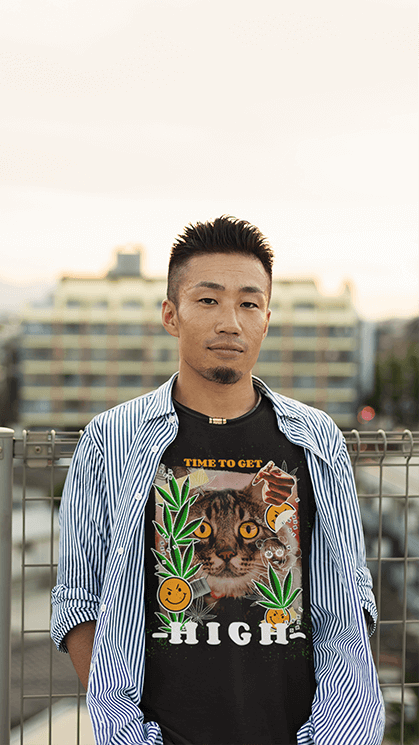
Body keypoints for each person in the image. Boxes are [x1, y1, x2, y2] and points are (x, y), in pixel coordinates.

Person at [51, 216, 384, 745]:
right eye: (208, 300)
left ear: (267, 319)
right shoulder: (112, 438)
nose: (230, 321)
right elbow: (79, 596)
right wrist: (126, 728)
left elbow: (349, 597)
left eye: (249, 303)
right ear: (170, 314)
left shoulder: (315, 438)